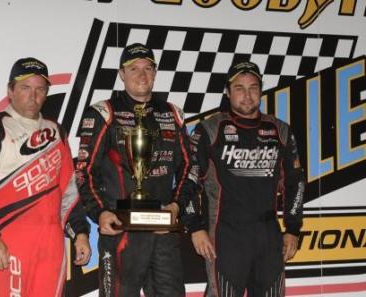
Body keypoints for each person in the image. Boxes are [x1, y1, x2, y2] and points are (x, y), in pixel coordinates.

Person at [76, 43, 215, 297]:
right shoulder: (104, 112)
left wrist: (176, 206)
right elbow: (84, 171)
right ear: (121, 74)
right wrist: (100, 213)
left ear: (155, 72)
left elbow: (191, 169)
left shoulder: (172, 113)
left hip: (163, 232)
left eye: (147, 68)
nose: (142, 75)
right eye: (134, 69)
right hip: (120, 230)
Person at [0, 57, 91, 297]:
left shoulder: (56, 130)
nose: (33, 96)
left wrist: (80, 232)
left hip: (51, 241)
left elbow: (69, 190)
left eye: (40, 89)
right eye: (25, 88)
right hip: (9, 236)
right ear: (10, 90)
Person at [189, 61, 305, 297]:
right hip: (225, 235)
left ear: (261, 90)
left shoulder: (281, 131)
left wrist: (292, 228)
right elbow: (188, 181)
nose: (247, 95)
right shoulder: (209, 130)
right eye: (239, 88)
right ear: (228, 92)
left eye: (253, 87)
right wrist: (195, 227)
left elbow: (296, 183)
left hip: (269, 236)